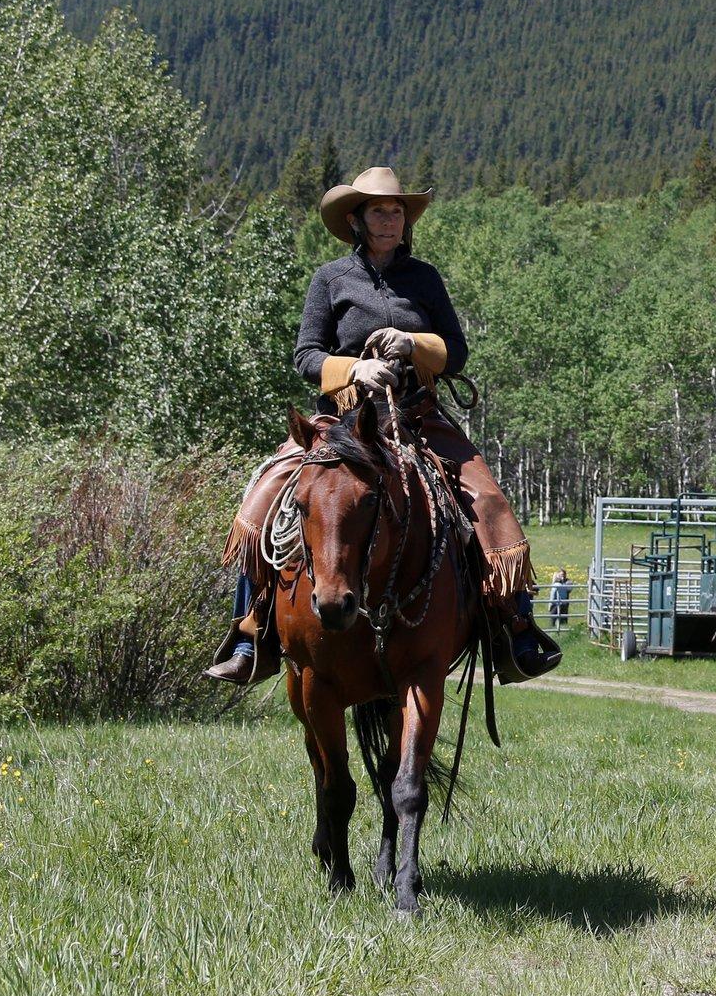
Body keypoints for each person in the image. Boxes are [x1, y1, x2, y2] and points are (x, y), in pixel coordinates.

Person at [205, 166, 560, 685]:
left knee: (488, 500)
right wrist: (354, 368)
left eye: (397, 211)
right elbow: (306, 354)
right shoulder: (330, 279)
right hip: (340, 422)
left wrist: (414, 344)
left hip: (416, 415)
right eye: (379, 211)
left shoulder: (425, 279)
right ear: (356, 219)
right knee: (263, 499)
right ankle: (250, 634)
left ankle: (515, 627)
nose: (390, 219)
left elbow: (456, 351)